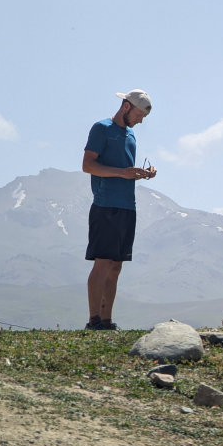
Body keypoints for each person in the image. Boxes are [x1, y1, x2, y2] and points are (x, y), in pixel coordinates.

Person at [82, 89, 156, 330]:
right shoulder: (101, 128)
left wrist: (141, 174)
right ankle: (93, 321)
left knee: (116, 265)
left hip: (127, 206)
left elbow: (124, 170)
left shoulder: (131, 136)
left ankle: (106, 320)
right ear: (126, 107)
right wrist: (122, 173)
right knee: (102, 263)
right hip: (105, 205)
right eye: (139, 114)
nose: (141, 120)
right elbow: (88, 165)